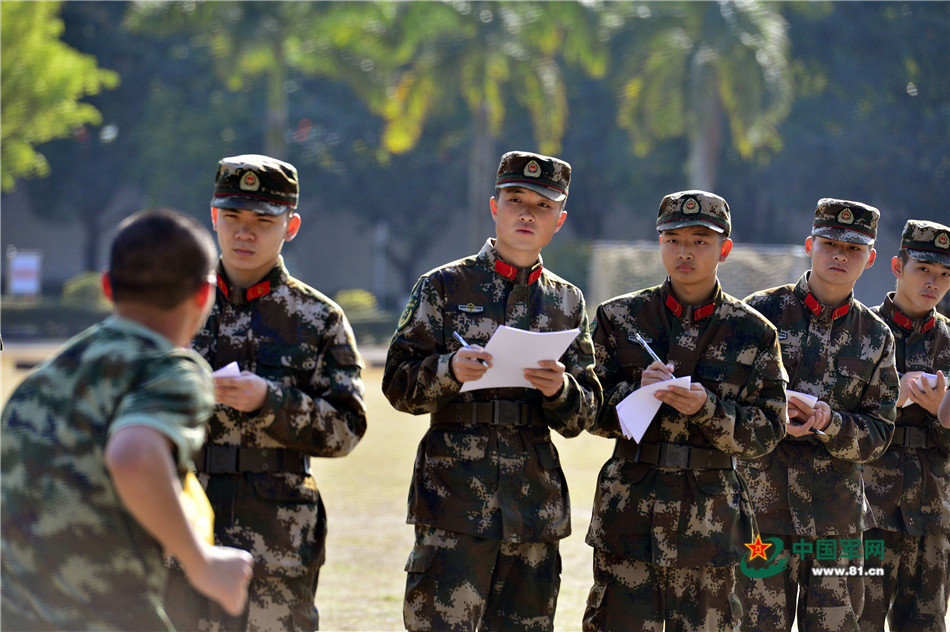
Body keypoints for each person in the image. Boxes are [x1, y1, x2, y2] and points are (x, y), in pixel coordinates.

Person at [1, 209, 254, 631]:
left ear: (107, 287)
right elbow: (134, 456)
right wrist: (202, 563)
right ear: (204, 294)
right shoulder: (170, 369)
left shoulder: (41, 381)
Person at [383, 150, 601, 632]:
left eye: (542, 206)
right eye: (515, 200)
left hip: (533, 506)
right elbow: (397, 384)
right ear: (494, 207)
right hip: (454, 499)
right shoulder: (443, 286)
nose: (527, 214)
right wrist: (449, 370)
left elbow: (586, 410)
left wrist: (560, 390)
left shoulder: (567, 301)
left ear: (559, 220)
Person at [165, 154, 368, 631]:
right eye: (233, 217)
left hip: (278, 537)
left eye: (263, 221)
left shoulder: (319, 318)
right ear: (214, 218)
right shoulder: (174, 306)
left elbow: (347, 428)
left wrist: (270, 402)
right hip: (184, 522)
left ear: (290, 226)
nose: (245, 233)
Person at [582, 190, 788, 632]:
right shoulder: (619, 318)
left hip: (709, 522)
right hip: (630, 512)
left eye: (699, 241)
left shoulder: (753, 332)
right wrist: (635, 392)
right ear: (660, 243)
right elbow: (587, 408)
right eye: (673, 239)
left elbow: (769, 429)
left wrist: (708, 409)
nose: (685, 252)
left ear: (724, 249)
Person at [736, 199, 899, 632]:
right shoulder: (759, 313)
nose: (840, 256)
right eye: (830, 244)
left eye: (854, 249)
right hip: (761, 512)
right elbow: (729, 402)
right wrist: (775, 416)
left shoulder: (876, 336)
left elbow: (880, 432)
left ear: (870, 259)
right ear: (810, 246)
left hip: (835, 520)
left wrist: (829, 422)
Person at [860, 220, 950, 632]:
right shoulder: (861, 331)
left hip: (931, 513)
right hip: (866, 512)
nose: (933, 282)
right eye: (923, 269)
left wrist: (941, 412)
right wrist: (889, 397)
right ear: (898, 266)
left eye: (944, 274)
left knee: (926, 624)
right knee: (860, 620)